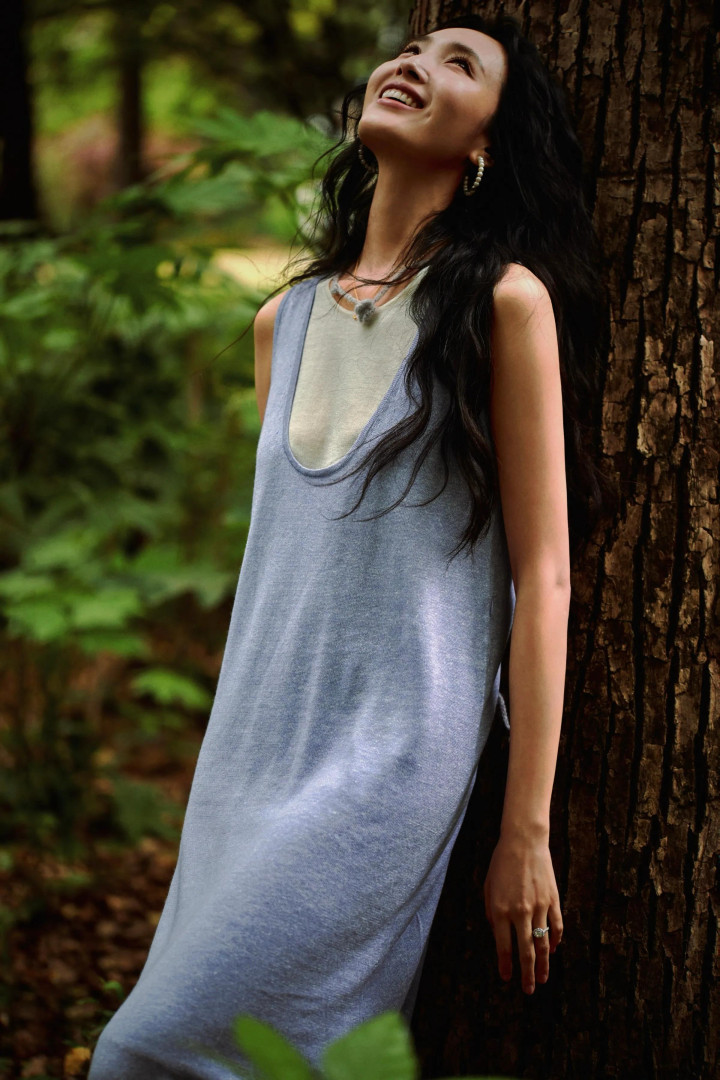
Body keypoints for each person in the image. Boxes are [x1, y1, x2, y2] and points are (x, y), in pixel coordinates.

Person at [88, 11, 615, 1079]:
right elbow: (291, 564)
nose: (413, 65)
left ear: (486, 143)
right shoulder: (281, 322)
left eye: (459, 64)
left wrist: (525, 829)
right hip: (249, 752)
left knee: (150, 1048)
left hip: (391, 757)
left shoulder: (502, 305)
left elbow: (545, 574)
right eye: (413, 50)